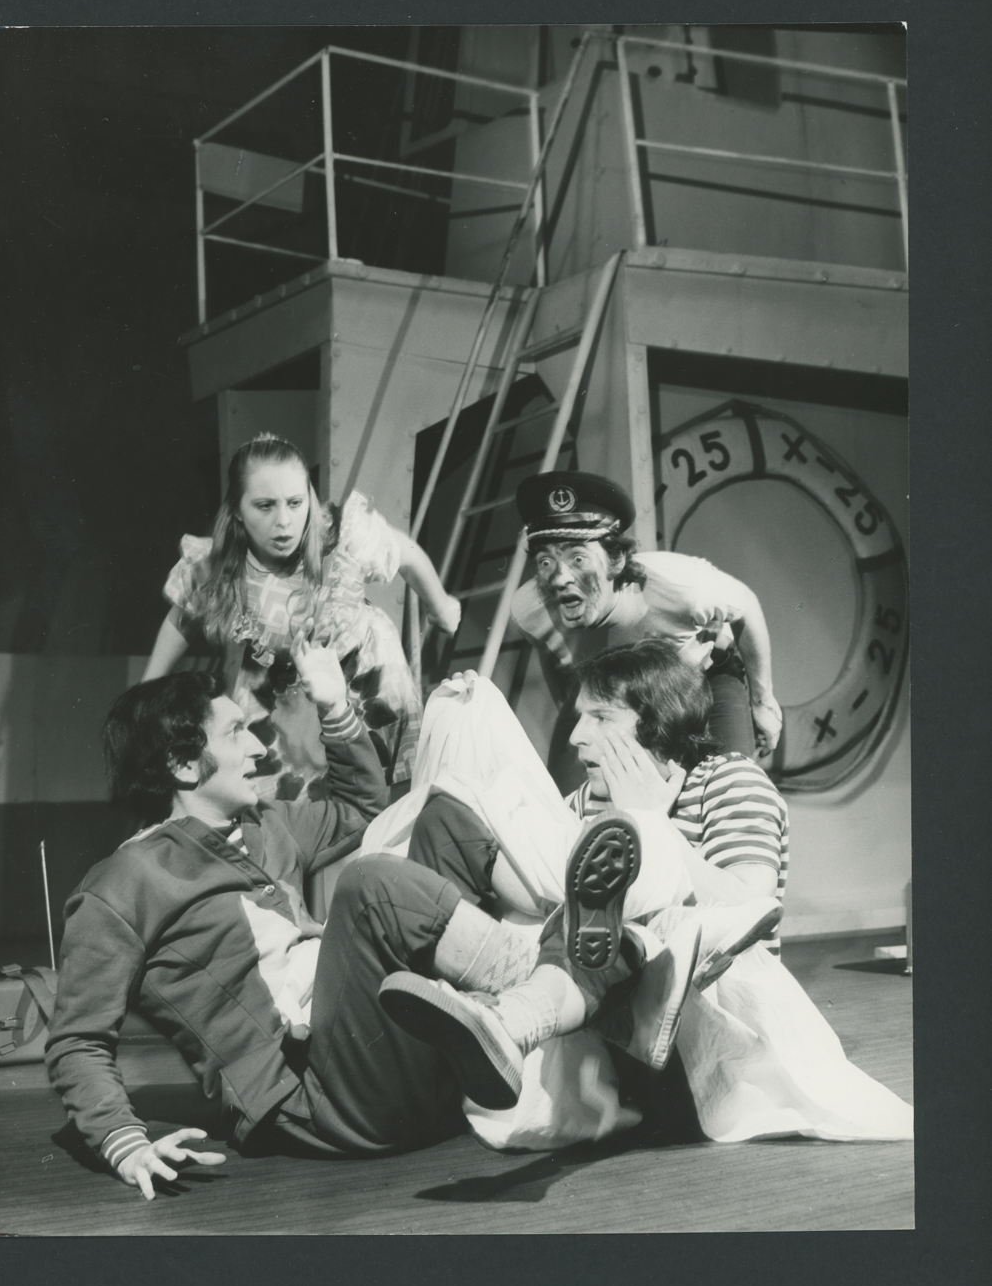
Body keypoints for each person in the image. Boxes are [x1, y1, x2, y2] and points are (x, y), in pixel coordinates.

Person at [46, 642, 555, 1200]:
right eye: (236, 732)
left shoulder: (267, 824)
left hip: (401, 1061)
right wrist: (124, 1143)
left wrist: (334, 706)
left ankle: (527, 1001)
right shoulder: (121, 883)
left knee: (445, 817)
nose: (259, 747)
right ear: (183, 764)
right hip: (322, 1099)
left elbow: (364, 810)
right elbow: (77, 1039)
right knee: (368, 887)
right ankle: (544, 987)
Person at [379, 644, 913, 1145]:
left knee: (629, 922)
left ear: (657, 722)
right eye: (580, 716)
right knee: (461, 827)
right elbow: (540, 895)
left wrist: (650, 821)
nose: (576, 737)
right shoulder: (586, 799)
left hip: (700, 1051)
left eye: (601, 717)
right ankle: (485, 1029)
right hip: (603, 1043)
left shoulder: (730, 781)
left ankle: (506, 1017)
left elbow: (749, 906)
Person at [142, 432, 460, 799]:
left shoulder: (340, 537)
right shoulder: (221, 566)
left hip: (363, 673)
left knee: (380, 788)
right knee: (280, 801)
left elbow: (406, 553)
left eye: (295, 503)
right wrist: (147, 689)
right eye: (265, 506)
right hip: (278, 689)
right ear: (237, 511)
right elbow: (183, 617)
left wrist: (441, 606)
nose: (284, 521)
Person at [508, 469, 784, 788]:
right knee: (567, 799)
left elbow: (746, 605)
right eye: (545, 562)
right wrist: (574, 708)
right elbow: (552, 656)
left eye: (578, 559)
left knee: (731, 784)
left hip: (698, 679)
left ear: (616, 561)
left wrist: (763, 702)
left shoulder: (680, 586)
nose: (559, 578)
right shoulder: (530, 610)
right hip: (608, 691)